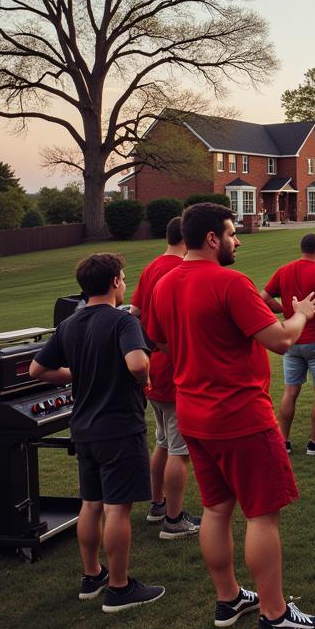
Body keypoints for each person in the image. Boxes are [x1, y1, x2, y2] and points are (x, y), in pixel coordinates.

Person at [146, 203, 315, 629]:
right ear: (212, 238)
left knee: (215, 509)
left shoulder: (164, 282)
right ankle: (275, 615)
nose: (238, 240)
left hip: (193, 413)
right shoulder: (231, 282)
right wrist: (302, 311)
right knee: (263, 515)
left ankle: (229, 598)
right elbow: (283, 340)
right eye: (232, 233)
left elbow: (159, 340)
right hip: (241, 417)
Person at [30, 253, 164, 612]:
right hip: (119, 427)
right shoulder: (122, 322)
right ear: (115, 283)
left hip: (84, 428)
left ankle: (92, 576)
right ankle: (120, 588)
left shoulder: (70, 324)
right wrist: (145, 376)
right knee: (118, 507)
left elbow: (36, 369)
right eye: (123, 277)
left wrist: (77, 373)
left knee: (91, 504)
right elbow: (136, 362)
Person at [128, 216, 199, 540]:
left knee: (161, 441)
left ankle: (158, 504)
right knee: (178, 450)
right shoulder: (180, 271)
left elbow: (136, 316)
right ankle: (174, 519)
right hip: (174, 370)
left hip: (152, 369)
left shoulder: (151, 267)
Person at [260, 233, 315, 457]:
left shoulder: (285, 270)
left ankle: (283, 441)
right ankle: (314, 444)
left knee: (290, 391)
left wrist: (285, 311)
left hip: (292, 339)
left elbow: (263, 297)